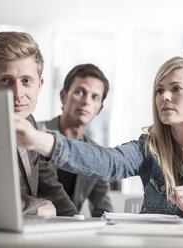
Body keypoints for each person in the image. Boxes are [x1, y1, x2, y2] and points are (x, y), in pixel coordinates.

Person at [15, 56, 183, 220]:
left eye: (176, 89)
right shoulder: (149, 148)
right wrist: (40, 140)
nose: (164, 97)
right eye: (159, 90)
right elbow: (109, 162)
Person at [0, 31, 77, 216]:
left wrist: (78, 223)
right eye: (6, 80)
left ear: (39, 85)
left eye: (26, 81)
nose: (18, 93)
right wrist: (35, 207)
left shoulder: (28, 121)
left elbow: (50, 186)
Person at [37, 64, 113, 217]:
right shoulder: (36, 134)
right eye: (80, 92)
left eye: (95, 97)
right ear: (63, 96)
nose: (86, 101)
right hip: (32, 225)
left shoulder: (96, 155)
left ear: (99, 108)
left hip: (70, 233)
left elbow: (103, 211)